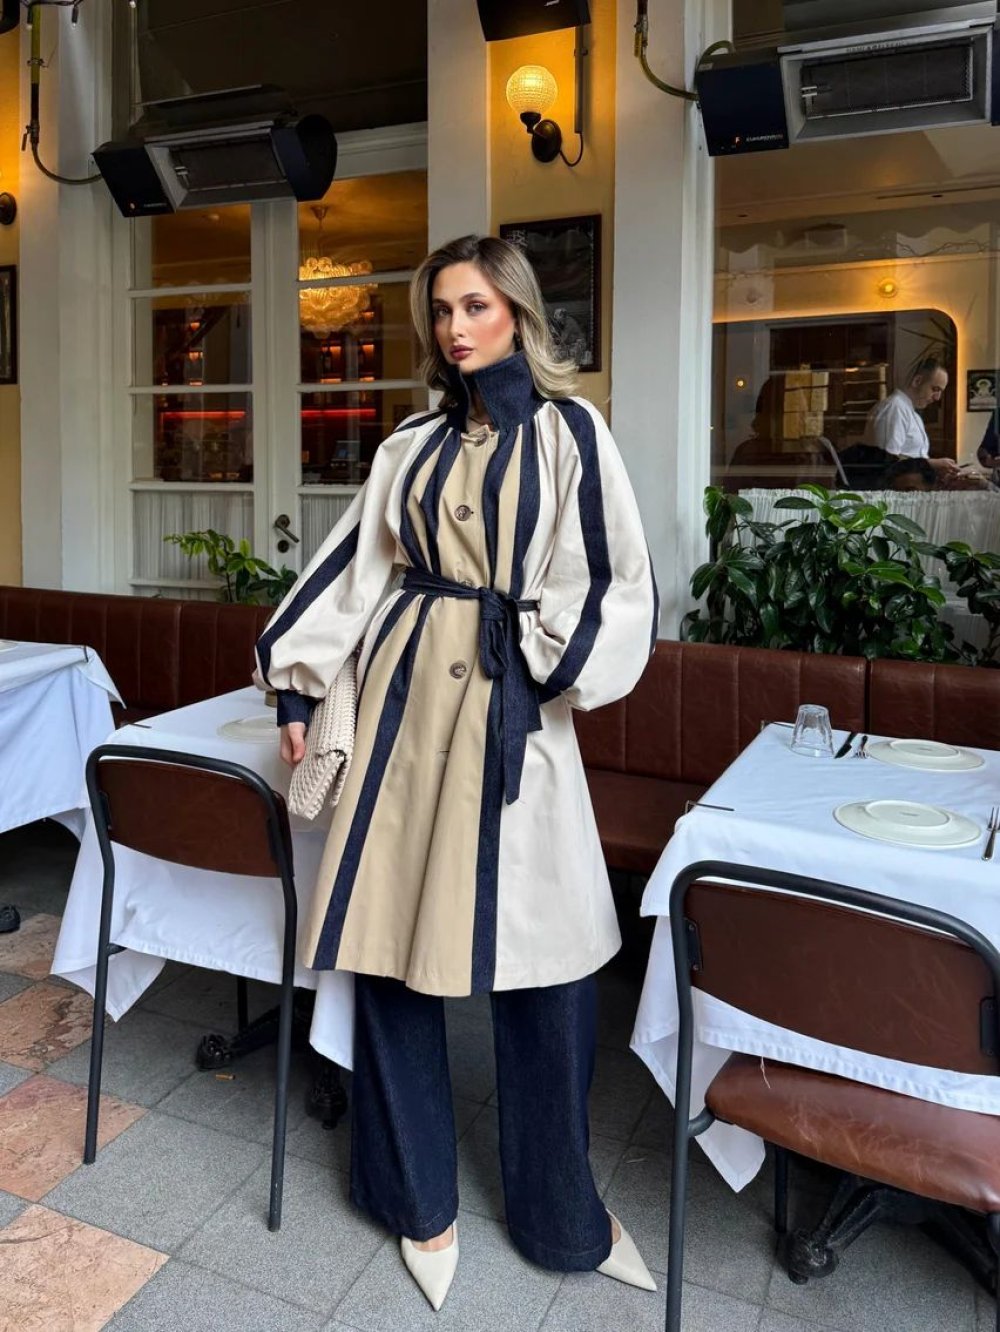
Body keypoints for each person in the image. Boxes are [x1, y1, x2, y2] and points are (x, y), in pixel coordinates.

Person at [255, 235, 659, 1310]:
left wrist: (536, 667)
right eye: (440, 310)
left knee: (549, 967)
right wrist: (296, 683)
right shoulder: (412, 443)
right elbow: (352, 566)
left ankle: (563, 1214)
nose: (454, 327)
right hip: (401, 708)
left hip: (512, 709)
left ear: (516, 312)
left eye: (475, 305)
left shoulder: (572, 432)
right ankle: (413, 1198)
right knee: (388, 953)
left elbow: (612, 578)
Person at [863, 358, 959, 478]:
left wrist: (935, 470)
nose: (937, 398)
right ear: (917, 381)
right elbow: (887, 462)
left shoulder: (911, 413)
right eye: (935, 389)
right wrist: (932, 464)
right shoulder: (894, 408)